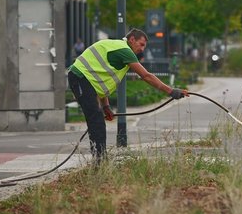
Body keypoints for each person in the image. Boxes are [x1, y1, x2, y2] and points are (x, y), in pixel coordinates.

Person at [68, 28, 189, 162]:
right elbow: (146, 76)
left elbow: (99, 80)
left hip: (83, 80)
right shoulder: (124, 50)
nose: (142, 49)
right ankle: (100, 162)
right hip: (79, 77)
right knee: (96, 120)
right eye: (141, 44)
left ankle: (100, 160)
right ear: (132, 40)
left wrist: (106, 106)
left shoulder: (118, 48)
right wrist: (171, 91)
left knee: (96, 119)